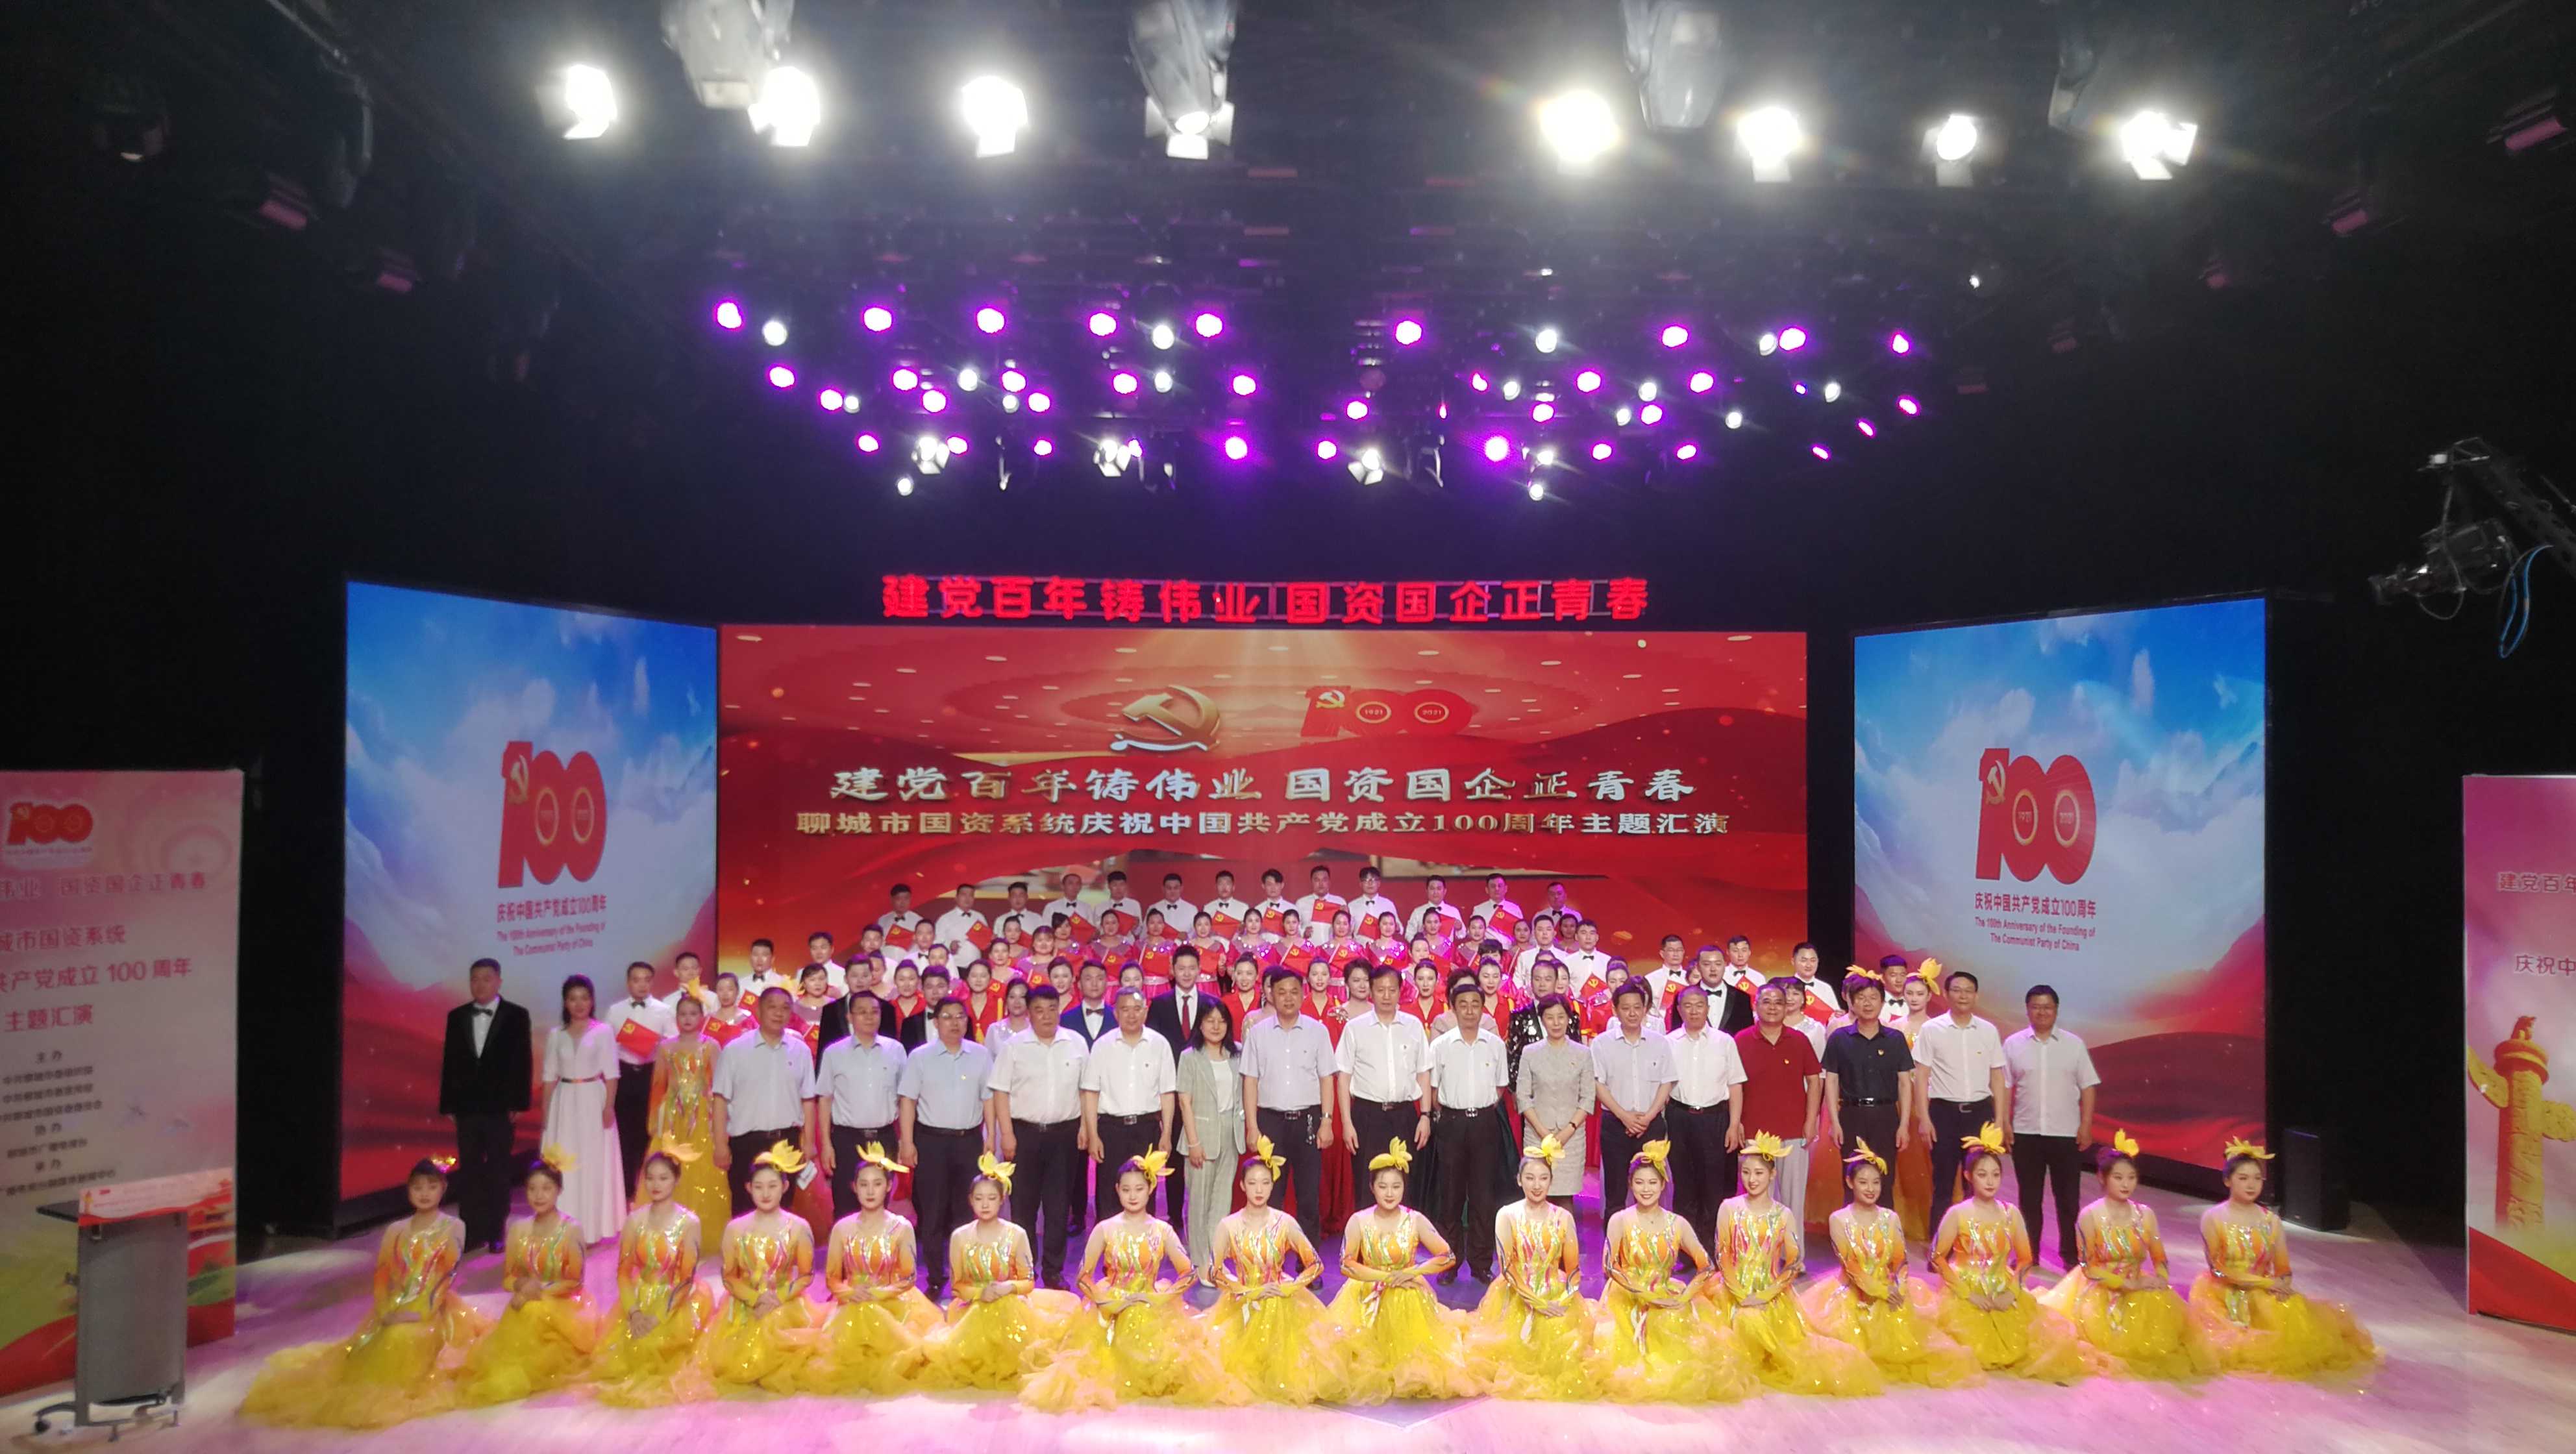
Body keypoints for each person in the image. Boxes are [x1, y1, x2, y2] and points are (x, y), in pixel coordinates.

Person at [241, 1157, 483, 1427]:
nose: (424, 1193)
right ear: (408, 1191)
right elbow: (382, 1275)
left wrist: (419, 1313)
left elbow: (445, 1276)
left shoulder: (454, 1227)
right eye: (417, 1187)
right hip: (396, 1304)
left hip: (433, 1307)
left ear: (443, 1188)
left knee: (402, 1338)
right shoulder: (396, 1230)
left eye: (431, 1187)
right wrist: (384, 1309)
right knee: (373, 1345)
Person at [1022, 1151, 1235, 1411]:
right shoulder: (1106, 1228)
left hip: (1150, 1302)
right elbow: (1083, 1276)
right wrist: (1104, 1301)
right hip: (1114, 1304)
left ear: (1150, 1189)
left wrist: (1160, 1298)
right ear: (1117, 1191)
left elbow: (1189, 1273)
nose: (1133, 1196)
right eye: (1126, 1190)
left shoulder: (1162, 1230)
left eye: (1139, 1189)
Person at [2034, 1131, 2217, 1379]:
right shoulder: (2090, 1216)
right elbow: (2089, 1267)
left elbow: (2160, 1258)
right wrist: (2124, 1284)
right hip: (2099, 1287)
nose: (2125, 1184)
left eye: (2131, 1178)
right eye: (2118, 1178)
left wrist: (2161, 1278)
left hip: (2137, 1282)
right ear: (2102, 1178)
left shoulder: (2145, 1215)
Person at [1798, 1142, 1981, 1387]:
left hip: (1890, 1290)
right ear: (1850, 1183)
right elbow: (1851, 1266)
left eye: (1876, 1182)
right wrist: (1882, 1292)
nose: (1870, 1188)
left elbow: (1900, 1260)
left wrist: (1899, 1288)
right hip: (1853, 1293)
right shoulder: (1839, 1219)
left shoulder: (1890, 1218)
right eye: (1863, 1182)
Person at [1715, 1133, 1885, 1396]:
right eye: (1746, 1173)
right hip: (1732, 1290)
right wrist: (1741, 1294)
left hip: (1772, 1291)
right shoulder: (1729, 1208)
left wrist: (1765, 1295)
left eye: (1759, 1173)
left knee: (1780, 1342)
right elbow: (1723, 1254)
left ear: (1772, 1174)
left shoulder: (1783, 1214)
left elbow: (1793, 1262)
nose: (1752, 1179)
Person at [2187, 1140, 2377, 1375]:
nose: (2251, 1185)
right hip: (2222, 1290)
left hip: (2263, 1289)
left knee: (2294, 1317)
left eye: (2257, 1178)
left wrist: (2283, 1284)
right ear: (2228, 1181)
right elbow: (2218, 1268)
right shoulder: (2213, 1218)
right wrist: (2266, 1283)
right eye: (2243, 1178)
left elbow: (2283, 1267)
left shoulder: (2270, 1221)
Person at [1596, 1141, 1757, 1403]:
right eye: (1639, 1183)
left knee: (1676, 1328)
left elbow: (1707, 1266)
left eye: (1652, 1183)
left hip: (1666, 1292)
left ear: (1663, 1185)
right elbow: (1609, 1266)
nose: (1646, 1189)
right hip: (1627, 1296)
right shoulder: (1620, 1220)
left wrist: (1684, 1297)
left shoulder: (1677, 1223)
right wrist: (1645, 1295)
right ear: (1630, 1185)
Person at [1930, 1123, 2089, 1381]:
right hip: (1965, 1286)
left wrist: (2011, 1292)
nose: (1990, 1181)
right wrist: (1967, 1293)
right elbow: (1937, 1258)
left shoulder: (2010, 1213)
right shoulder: (1958, 1214)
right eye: (1983, 1174)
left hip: (2002, 1286)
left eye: (1995, 1175)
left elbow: (2026, 1259)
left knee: (2028, 1341)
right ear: (1969, 1176)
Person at [1327, 1141, 1476, 1401]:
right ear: (1372, 1187)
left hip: (1408, 1292)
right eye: (1383, 1186)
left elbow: (1448, 1256)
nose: (1389, 1193)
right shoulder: (1359, 1220)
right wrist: (1384, 1278)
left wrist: (1413, 1272)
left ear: (1404, 1188)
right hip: (1367, 1293)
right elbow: (1346, 1264)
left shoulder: (1414, 1219)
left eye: (1396, 1186)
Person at [918, 1157, 1080, 1390]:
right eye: (979, 1199)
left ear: (1002, 1200)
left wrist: (1007, 1288)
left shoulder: (1016, 1234)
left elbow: (1028, 1281)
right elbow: (957, 1286)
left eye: (992, 1198)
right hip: (974, 1306)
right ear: (970, 1200)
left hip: (1011, 1304)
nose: (985, 1205)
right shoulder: (960, 1237)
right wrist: (980, 1294)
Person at [798, 1142, 941, 1394]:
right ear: (854, 1188)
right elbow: (832, 1279)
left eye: (877, 1184)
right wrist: (850, 1292)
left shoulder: (901, 1227)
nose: (870, 1191)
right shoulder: (843, 1228)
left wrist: (878, 1294)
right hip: (854, 1299)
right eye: (864, 1184)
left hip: (893, 1299)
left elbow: (908, 1277)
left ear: (888, 1186)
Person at [1207, 1140, 1343, 1403]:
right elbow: (1215, 1272)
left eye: (1265, 1183)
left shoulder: (1284, 1222)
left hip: (1279, 1298)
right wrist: (1245, 1291)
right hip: (1243, 1299)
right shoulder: (1228, 1225)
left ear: (1273, 1185)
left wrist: (1288, 1288)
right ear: (1242, 1186)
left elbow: (1316, 1264)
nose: (1259, 1190)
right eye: (1253, 1183)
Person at [458, 1153, 597, 1406]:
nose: (539, 1195)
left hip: (564, 1302)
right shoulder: (518, 1229)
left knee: (533, 1311)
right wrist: (522, 1285)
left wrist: (536, 1289)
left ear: (559, 1190)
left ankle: (528, 1371)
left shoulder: (571, 1229)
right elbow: (508, 1278)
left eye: (546, 1188)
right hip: (526, 1301)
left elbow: (575, 1280)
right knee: (526, 1315)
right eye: (532, 1189)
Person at [1465, 1138, 1596, 1399]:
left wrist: (1562, 1301)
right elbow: (1506, 1267)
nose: (1537, 1185)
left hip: (1555, 1291)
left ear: (1551, 1181)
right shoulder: (1507, 1215)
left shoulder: (1563, 1217)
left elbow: (1573, 1270)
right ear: (1519, 1180)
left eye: (1543, 1178)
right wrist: (1536, 1302)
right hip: (1516, 1292)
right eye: (1530, 1178)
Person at [586, 1148, 717, 1405]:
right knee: (624, 1354)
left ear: (677, 1180)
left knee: (658, 1348)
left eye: (664, 1178)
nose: (656, 1185)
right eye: (650, 1178)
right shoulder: (635, 1221)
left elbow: (685, 1280)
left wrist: (657, 1317)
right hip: (640, 1297)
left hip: (676, 1300)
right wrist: (635, 1314)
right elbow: (623, 1273)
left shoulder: (689, 1223)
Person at [987, 981, 1087, 1288]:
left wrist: (1086, 1127)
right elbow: (1000, 1092)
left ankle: (1054, 1271)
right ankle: (1025, 1269)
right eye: (1039, 1010)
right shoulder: (1014, 1047)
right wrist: (1006, 1134)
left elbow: (1086, 1090)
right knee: (1024, 1206)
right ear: (1029, 1013)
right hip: (1024, 1134)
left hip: (1065, 1134)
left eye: (1052, 1009)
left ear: (1060, 1010)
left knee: (1059, 1205)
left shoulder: (1076, 1043)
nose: (1047, 1016)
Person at [702, 1142, 823, 1394]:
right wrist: (756, 1299)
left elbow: (806, 1275)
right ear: (748, 1188)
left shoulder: (799, 1227)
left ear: (785, 1187)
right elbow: (729, 1276)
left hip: (785, 1300)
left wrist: (777, 1298)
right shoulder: (736, 1228)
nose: (765, 1193)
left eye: (772, 1186)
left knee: (788, 1341)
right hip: (745, 1301)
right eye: (758, 1187)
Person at [900, 998, 995, 1296]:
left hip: (969, 1141)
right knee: (933, 1211)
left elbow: (988, 1099)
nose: (955, 1023)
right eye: (947, 1017)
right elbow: (908, 1101)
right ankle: (935, 1277)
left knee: (966, 1210)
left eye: (960, 1017)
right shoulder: (920, 1057)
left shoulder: (981, 1055)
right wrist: (907, 1141)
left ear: (968, 1021)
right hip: (931, 1142)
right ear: (936, 1021)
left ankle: (964, 1274)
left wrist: (991, 1136)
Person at [438, 957, 532, 1255]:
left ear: (498, 981)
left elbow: (523, 1061)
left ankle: (496, 1231)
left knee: (498, 1169)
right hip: (466, 1108)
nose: (480, 985)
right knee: (469, 1170)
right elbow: (450, 1062)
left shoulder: (516, 1015)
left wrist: (519, 1102)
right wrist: (448, 1104)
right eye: (475, 979)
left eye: (486, 979)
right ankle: (471, 1231)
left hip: (500, 1107)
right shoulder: (457, 1016)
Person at [2004, 982, 2099, 1271]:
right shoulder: (2013, 1044)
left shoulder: (2074, 1044)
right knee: (2029, 1198)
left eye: (2047, 1007)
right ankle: (2028, 1253)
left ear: (2056, 1010)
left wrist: (2086, 1125)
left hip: (2065, 1133)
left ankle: (2070, 1254)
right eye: (2036, 1007)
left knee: (2068, 1199)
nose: (2042, 1012)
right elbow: (2005, 1086)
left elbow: (2088, 1086)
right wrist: (2004, 1122)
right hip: (2026, 1132)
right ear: (2027, 1010)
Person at [1241, 966, 1338, 1245]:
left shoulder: (1317, 1031)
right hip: (1270, 1122)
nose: (1288, 998)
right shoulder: (1258, 1033)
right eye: (1281, 992)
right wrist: (1252, 1127)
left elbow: (1327, 1078)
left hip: (1308, 1120)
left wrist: (1327, 1121)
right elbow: (1250, 1081)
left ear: (1303, 994)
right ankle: (1271, 1256)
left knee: (1308, 1195)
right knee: (1272, 1193)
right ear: (1270, 994)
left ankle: (1309, 1259)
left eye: (1294, 992)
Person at [1426, 974, 1511, 1284]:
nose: (1470, 1010)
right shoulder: (1440, 1046)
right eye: (1463, 1005)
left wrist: (1479, 1107)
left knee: (1483, 1196)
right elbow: (1432, 1090)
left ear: (1483, 1008)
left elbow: (1501, 1086)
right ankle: (1449, 1262)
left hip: (1485, 1123)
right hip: (1451, 1123)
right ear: (1453, 1008)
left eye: (1476, 1004)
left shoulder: (1495, 1045)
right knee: (1450, 1195)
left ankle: (1480, 1263)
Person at [710, 987, 819, 1215]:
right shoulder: (735, 1050)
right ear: (759, 1011)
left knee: (784, 1211)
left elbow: (808, 1100)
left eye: (785, 1008)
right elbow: (720, 1100)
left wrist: (809, 1142)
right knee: (744, 1211)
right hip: (746, 1143)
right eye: (772, 1007)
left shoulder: (800, 1051)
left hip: (787, 1142)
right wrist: (720, 1144)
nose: (779, 1013)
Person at [1914, 967, 2008, 1229]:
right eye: (1957, 990)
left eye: (1968, 991)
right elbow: (1921, 1076)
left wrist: (2000, 1120)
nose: (1963, 996)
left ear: (1976, 996)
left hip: (1980, 1115)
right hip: (1943, 1113)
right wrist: (1924, 1118)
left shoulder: (1988, 1030)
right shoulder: (1932, 1029)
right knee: (1943, 1182)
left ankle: (1974, 1239)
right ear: (1946, 994)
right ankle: (1940, 1242)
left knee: (1978, 1182)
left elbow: (1997, 1077)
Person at [538, 974, 626, 1243]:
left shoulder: (603, 1031)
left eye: (584, 998)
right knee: (565, 1163)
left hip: (593, 1099)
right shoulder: (556, 1035)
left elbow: (612, 1074)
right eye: (573, 999)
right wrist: (546, 1114)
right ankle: (563, 1226)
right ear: (565, 1002)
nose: (579, 1004)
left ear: (592, 1001)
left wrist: (609, 1107)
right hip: (564, 1102)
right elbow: (549, 1077)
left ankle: (592, 1229)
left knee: (592, 1162)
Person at [1082, 985, 1180, 1223]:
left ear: (1146, 1011)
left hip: (1147, 1129)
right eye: (1125, 1010)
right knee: (1109, 1195)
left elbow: (1167, 1093)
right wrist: (1093, 1135)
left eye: (1137, 1009)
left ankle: (1145, 1245)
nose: (1132, 1015)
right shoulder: (1103, 1046)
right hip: (1111, 1130)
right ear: (1115, 1013)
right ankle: (1110, 1247)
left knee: (1145, 1193)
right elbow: (1091, 1093)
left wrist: (1166, 1134)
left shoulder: (1159, 1044)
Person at [1820, 974, 1914, 1212]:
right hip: (1852, 1116)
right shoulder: (1840, 1038)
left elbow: (1905, 1084)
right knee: (1852, 1177)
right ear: (1851, 1002)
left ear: (1882, 1002)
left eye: (1873, 998)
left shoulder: (1895, 1039)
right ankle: (1851, 1232)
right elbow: (1831, 1081)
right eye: (1861, 998)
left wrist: (1904, 1125)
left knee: (1885, 1178)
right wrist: (1834, 1122)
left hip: (1886, 1116)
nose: (1868, 1003)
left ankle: (1885, 1231)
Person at [1663, 983, 1746, 1251]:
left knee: (1714, 1186)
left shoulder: (1725, 1042)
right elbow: (1663, 1086)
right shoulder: (1668, 1042)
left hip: (1715, 1119)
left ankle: (1713, 1249)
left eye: (1699, 1006)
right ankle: (1687, 1251)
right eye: (1688, 1006)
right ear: (1679, 1010)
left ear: (1708, 1009)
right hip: (1679, 1118)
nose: (1694, 1011)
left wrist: (1734, 1124)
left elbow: (1735, 1085)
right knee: (1684, 1185)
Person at [1335, 965, 1431, 1198]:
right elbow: (1343, 1077)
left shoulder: (1413, 1026)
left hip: (1404, 1116)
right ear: (1371, 991)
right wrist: (1347, 1123)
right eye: (1380, 990)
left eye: (1392, 990)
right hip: (1367, 1116)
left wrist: (1425, 1116)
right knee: (1367, 1183)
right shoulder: (1355, 1028)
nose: (1386, 996)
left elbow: (1424, 1073)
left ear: (1400, 991)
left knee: (1405, 1184)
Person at [641, 994, 732, 1234]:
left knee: (703, 1169)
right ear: (676, 1018)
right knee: (670, 1164)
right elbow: (658, 1085)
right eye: (683, 1014)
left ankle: (701, 1226)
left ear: (702, 1017)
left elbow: (720, 1086)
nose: (688, 1019)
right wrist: (654, 1120)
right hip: (673, 1117)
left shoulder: (711, 1046)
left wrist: (722, 1122)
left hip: (703, 1116)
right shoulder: (666, 1047)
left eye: (693, 1014)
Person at [815, 990, 907, 1222]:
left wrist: (905, 1139)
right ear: (850, 1017)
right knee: (845, 1207)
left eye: (874, 1012)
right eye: (862, 1012)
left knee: (880, 1207)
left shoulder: (895, 1050)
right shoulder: (834, 1053)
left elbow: (905, 1099)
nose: (869, 1017)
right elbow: (825, 1099)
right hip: (847, 1140)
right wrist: (826, 1144)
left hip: (884, 1138)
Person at [1592, 981, 1678, 1220]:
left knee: (1652, 1187)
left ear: (1645, 1009)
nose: (1632, 1013)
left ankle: (1652, 1239)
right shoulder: (1602, 1044)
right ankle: (1615, 1243)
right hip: (1615, 1124)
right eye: (1626, 1008)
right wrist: (1625, 1117)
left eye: (1637, 1007)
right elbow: (1598, 1085)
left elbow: (1666, 1082)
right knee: (1615, 1192)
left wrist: (1648, 1118)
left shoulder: (1660, 1042)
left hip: (1652, 1125)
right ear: (1615, 1010)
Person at [1175, 998, 1244, 1276]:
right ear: (1200, 1025)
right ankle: (1200, 1261)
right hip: (1200, 1134)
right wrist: (1193, 1142)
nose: (1216, 1027)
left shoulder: (1238, 1053)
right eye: (1210, 1021)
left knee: (1221, 1201)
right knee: (1199, 1202)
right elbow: (1185, 1102)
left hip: (1231, 1133)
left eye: (1222, 1021)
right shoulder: (1190, 1057)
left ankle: (1216, 1260)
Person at [1515, 992, 1595, 1214]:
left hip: (1572, 1137)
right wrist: (1543, 1133)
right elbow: (1523, 1096)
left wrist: (1568, 1131)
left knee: (1565, 1198)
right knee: (1537, 1193)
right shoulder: (1530, 1053)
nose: (1556, 1023)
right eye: (1550, 1018)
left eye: (1561, 1017)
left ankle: (1566, 1237)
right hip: (1537, 1135)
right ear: (1542, 1020)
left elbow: (1588, 1098)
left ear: (1569, 1018)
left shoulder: (1582, 1053)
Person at [602, 960, 676, 1194]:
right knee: (624, 1134)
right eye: (636, 980)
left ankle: (648, 1189)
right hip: (623, 1075)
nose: (642, 985)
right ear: (628, 983)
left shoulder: (664, 1010)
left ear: (652, 982)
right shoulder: (615, 1011)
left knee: (648, 1132)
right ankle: (625, 1192)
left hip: (651, 1076)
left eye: (646, 980)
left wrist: (655, 1044)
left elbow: (673, 1043)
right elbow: (606, 1044)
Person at [1895, 965, 1942, 1240]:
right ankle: (1902, 1220)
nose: (1914, 998)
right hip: (1901, 1099)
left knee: (1929, 1160)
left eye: (1919, 994)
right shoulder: (1895, 1026)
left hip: (1929, 1097)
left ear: (1929, 996)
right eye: (1909, 993)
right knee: (1903, 1160)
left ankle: (1930, 1220)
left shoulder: (1936, 1028)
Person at [1715, 934, 1763, 1033]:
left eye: (1744, 950)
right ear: (1728, 952)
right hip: (1724, 1025)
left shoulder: (1759, 978)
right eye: (1735, 951)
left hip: (1751, 1025)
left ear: (1749, 952)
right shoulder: (1721, 974)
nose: (1740, 955)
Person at [1064, 961, 1115, 1045]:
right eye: (1088, 979)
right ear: (1079, 984)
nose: (1094, 984)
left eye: (1100, 979)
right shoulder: (1065, 1020)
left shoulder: (1118, 1017)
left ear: (1107, 983)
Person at [1294, 865, 1346, 946]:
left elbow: (1348, 929)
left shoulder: (1340, 902)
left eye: (1324, 880)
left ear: (1329, 882)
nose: (1321, 884)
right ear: (1312, 882)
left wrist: (1347, 914)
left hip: (1334, 948)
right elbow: (1294, 926)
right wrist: (1304, 932)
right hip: (1309, 948)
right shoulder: (1301, 903)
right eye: (1317, 880)